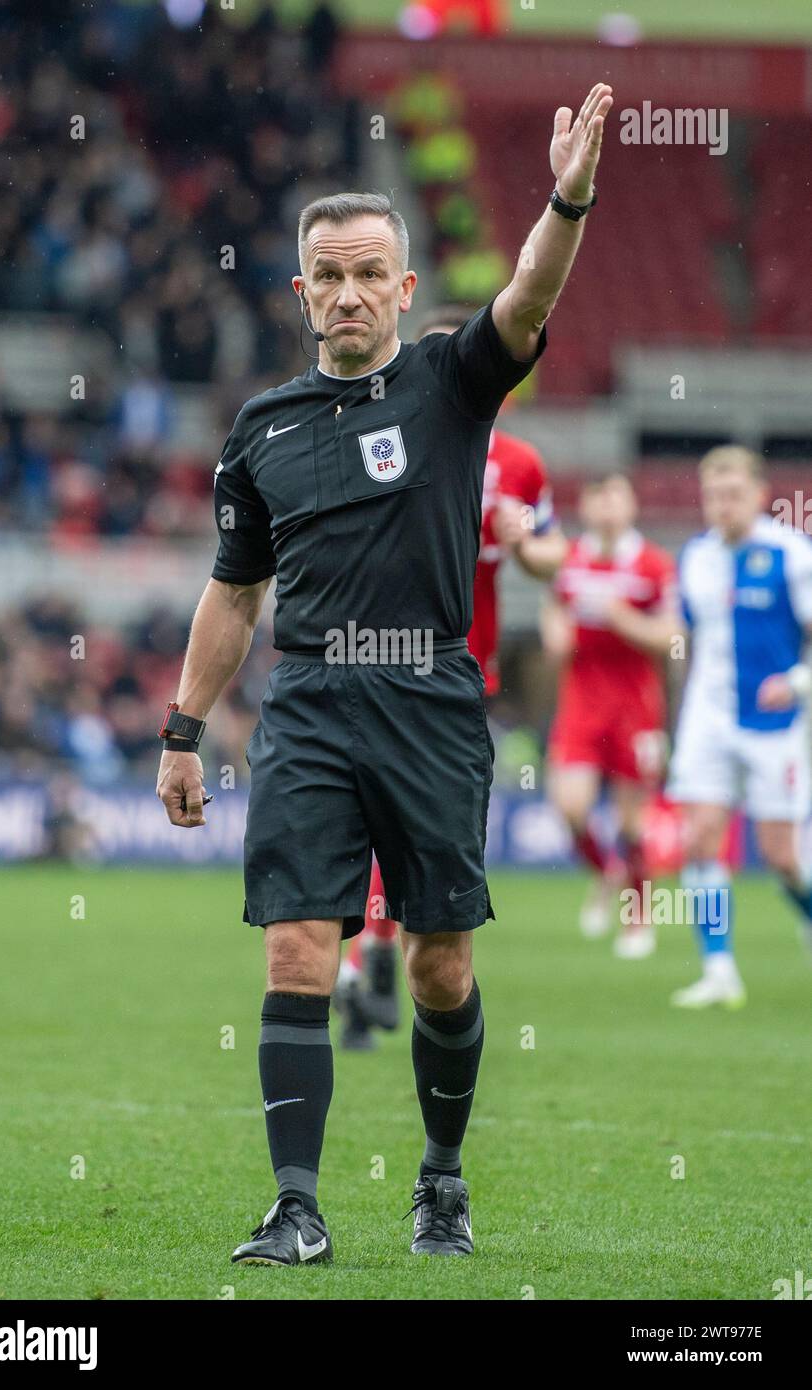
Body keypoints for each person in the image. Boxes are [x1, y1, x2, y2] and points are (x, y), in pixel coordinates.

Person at [155, 82, 613, 1266]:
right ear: (299, 288)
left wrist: (566, 195)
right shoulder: (260, 427)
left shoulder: (452, 381)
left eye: (371, 272)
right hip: (306, 704)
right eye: (328, 273)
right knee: (296, 944)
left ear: (404, 290)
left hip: (427, 697)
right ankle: (296, 1206)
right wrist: (182, 724)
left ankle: (442, 1179)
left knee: (437, 960)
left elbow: (530, 292)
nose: (348, 291)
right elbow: (235, 588)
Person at [335, 302, 566, 1051]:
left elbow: (552, 558)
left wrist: (522, 543)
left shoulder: (519, 464)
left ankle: (367, 960)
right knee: (385, 817)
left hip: (467, 671)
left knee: (419, 827)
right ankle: (366, 953)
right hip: (386, 659)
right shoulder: (384, 447)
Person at [667, 446, 812, 1008]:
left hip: (776, 723)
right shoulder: (696, 557)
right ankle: (719, 969)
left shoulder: (792, 554)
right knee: (700, 837)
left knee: (782, 857)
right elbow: (682, 637)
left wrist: (796, 683)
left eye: (733, 493)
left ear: (758, 493)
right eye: (712, 495)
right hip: (708, 718)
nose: (722, 505)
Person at [542, 474, 677, 958]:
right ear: (587, 505)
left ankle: (638, 914)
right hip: (581, 703)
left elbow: (673, 637)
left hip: (637, 708)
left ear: (632, 504)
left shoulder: (654, 565)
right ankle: (607, 874)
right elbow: (554, 606)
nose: (606, 507)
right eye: (597, 497)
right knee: (571, 809)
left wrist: (626, 621)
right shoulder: (571, 560)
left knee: (632, 822)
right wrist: (555, 632)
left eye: (615, 496)